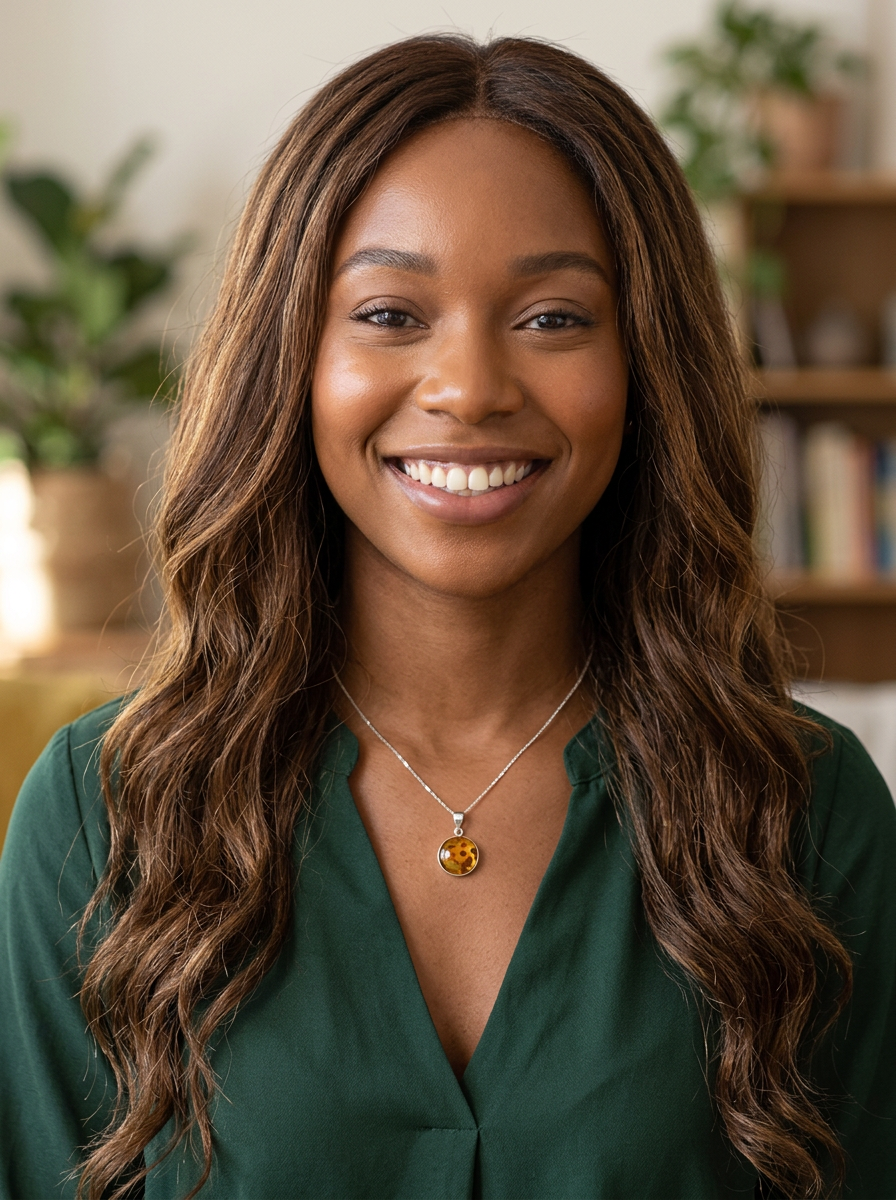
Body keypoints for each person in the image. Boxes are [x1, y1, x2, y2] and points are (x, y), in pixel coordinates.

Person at [1, 33, 894, 1200]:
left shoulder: (805, 815)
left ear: (645, 363)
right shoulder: (102, 818)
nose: (468, 389)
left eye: (552, 318)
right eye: (389, 312)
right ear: (290, 357)